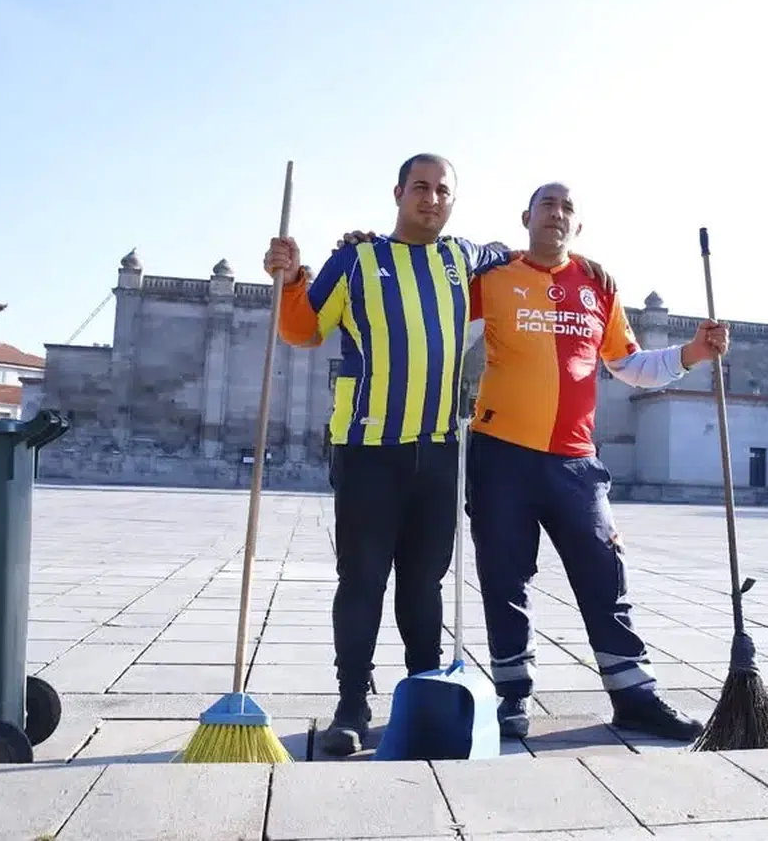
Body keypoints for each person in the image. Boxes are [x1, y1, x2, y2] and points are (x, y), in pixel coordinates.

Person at [262, 154, 613, 757]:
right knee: (363, 578)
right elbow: (301, 330)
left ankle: (421, 692)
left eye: (442, 190)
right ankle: (352, 703)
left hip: (439, 451)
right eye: (419, 188)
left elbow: (525, 252)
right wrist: (293, 279)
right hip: (369, 446)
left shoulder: (466, 259)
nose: (430, 198)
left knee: (425, 583)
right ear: (397, 192)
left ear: (453, 201)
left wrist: (582, 265)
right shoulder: (356, 259)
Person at [464, 182, 730, 741]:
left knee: (605, 573)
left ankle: (634, 696)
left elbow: (630, 365)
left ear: (576, 225)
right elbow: (438, 330)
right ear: (526, 216)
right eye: (546, 205)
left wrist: (693, 353)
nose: (556, 214)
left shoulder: (597, 285)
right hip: (501, 454)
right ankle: (512, 697)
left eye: (567, 208)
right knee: (504, 575)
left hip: (576, 461)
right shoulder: (492, 278)